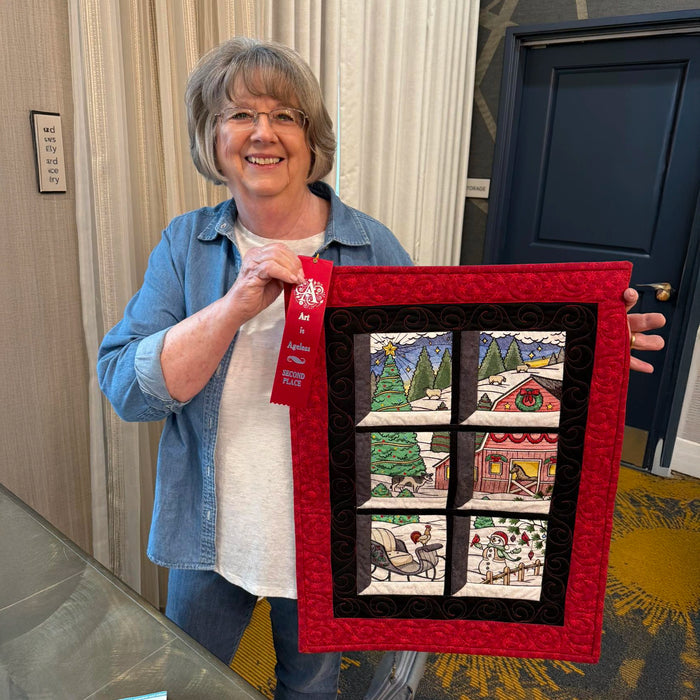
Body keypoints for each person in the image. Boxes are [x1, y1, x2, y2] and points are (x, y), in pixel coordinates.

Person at [97, 37, 665, 699]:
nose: (262, 132)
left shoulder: (371, 247)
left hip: (326, 539)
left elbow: (452, 367)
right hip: (210, 532)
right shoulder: (185, 244)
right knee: (186, 683)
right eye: (239, 113)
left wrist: (579, 340)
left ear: (312, 139)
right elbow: (127, 389)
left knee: (309, 688)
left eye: (285, 115)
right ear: (210, 134)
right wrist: (235, 305)